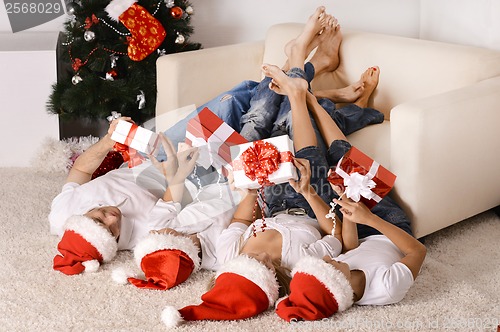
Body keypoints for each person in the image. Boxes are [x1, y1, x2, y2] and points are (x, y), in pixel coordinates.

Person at [258, 59, 427, 322]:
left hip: (358, 226)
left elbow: (351, 247)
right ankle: (307, 97)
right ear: (337, 283)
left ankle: (310, 100)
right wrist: (369, 218)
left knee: (333, 165)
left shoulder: (342, 268)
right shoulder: (386, 289)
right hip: (391, 227)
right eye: (327, 264)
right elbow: (417, 251)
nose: (326, 257)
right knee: (345, 159)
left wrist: (348, 208)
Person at [50, 118, 243, 275]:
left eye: (99, 218)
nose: (112, 218)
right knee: (244, 139)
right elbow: (176, 201)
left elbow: (81, 170)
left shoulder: (61, 213)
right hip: (187, 172)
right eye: (112, 232)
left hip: (146, 155)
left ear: (81, 217)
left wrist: (109, 140)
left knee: (227, 104)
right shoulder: (146, 235)